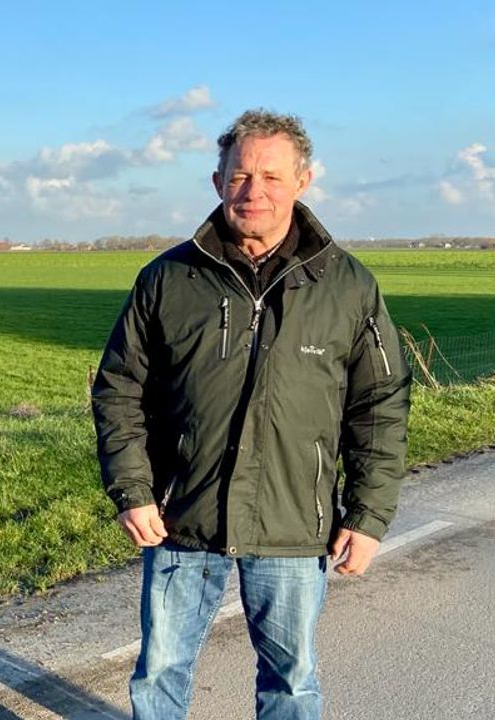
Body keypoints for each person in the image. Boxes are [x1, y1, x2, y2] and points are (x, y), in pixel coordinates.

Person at [92, 109, 411, 720]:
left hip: (294, 524)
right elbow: (119, 389)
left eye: (270, 175)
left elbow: (379, 407)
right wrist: (132, 489)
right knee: (158, 673)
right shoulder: (168, 278)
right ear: (217, 182)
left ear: (303, 181)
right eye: (239, 176)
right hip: (179, 519)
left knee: (290, 683)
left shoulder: (348, 285)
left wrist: (368, 516)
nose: (253, 191)